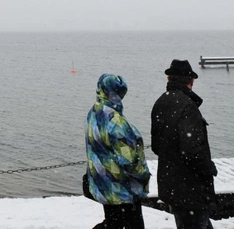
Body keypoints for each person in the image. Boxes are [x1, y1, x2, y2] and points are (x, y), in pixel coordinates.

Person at [150, 59, 217, 229]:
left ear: (169, 79)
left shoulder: (160, 103)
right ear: (191, 81)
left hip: (171, 184)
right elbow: (192, 150)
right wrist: (208, 167)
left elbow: (156, 146)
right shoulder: (188, 106)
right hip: (191, 188)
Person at [86, 73, 151, 229]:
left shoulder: (94, 113)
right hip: (122, 191)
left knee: (112, 223)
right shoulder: (116, 121)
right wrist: (143, 176)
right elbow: (129, 161)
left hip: (104, 185)